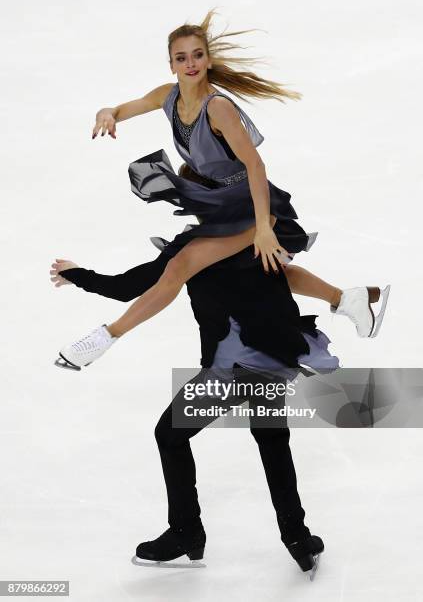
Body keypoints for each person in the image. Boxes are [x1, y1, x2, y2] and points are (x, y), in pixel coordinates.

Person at [52, 8, 390, 372]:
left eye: (197, 55)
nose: (191, 63)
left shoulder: (219, 108)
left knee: (180, 266)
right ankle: (347, 298)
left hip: (249, 204)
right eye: (181, 57)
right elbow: (119, 108)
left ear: (208, 59)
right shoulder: (168, 96)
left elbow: (256, 166)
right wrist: (107, 113)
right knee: (258, 272)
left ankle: (104, 338)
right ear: (171, 65)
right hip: (218, 205)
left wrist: (263, 228)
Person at [54, 238, 333, 578]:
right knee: (272, 439)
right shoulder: (258, 234)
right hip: (275, 358)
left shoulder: (192, 248)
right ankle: (298, 540)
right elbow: (289, 275)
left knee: (170, 435)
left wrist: (77, 274)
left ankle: (186, 533)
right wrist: (340, 298)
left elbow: (126, 287)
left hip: (232, 369)